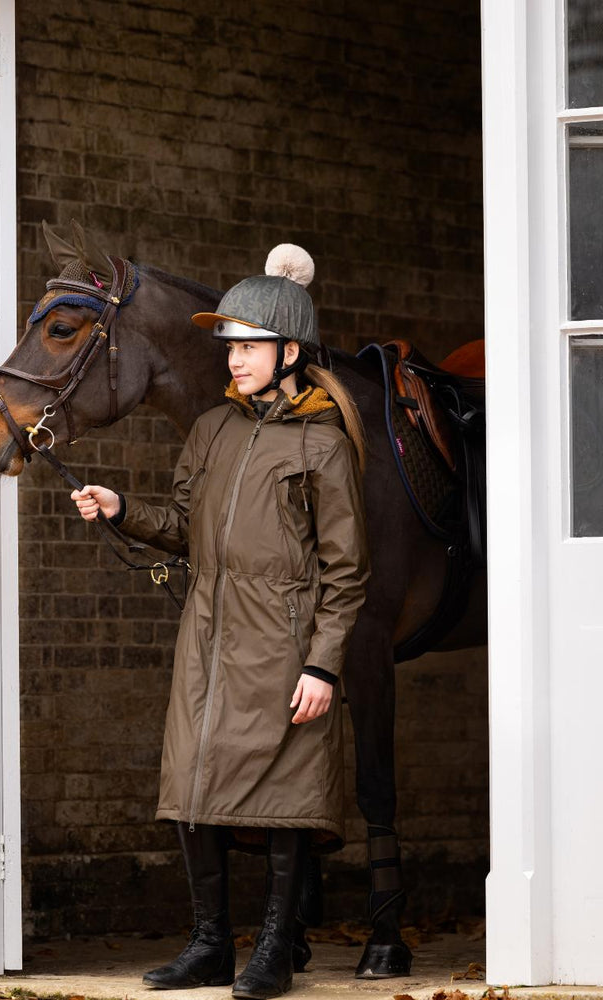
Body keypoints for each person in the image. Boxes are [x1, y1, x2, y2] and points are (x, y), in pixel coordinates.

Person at [71, 244, 369, 999]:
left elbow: (347, 573)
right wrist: (121, 508)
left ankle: (274, 948)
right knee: (192, 783)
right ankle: (209, 945)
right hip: (207, 632)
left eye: (249, 347)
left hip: (284, 640)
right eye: (229, 347)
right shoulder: (211, 431)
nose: (234, 360)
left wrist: (323, 664)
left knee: (286, 796)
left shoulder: (325, 445)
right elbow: (183, 523)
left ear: (290, 351)